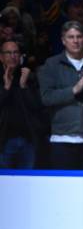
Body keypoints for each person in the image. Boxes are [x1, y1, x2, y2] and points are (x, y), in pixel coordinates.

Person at [38, 21, 83, 170]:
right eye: (71, 37)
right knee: (63, 191)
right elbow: (46, 97)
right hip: (62, 138)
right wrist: (74, 90)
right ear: (63, 40)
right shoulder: (52, 64)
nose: (75, 41)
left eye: (79, 36)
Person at [0, 40, 43, 169]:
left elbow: (37, 106)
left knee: (27, 184)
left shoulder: (29, 77)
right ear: (1, 57)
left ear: (20, 56)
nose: (12, 56)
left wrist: (24, 87)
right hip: (3, 141)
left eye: (15, 52)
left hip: (28, 140)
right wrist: (6, 88)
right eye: (8, 53)